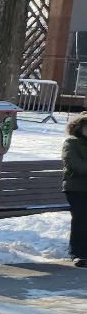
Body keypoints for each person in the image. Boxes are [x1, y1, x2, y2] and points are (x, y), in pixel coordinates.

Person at [66, 114, 87, 267]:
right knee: (81, 218)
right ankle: (78, 253)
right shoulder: (71, 143)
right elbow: (75, 165)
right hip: (77, 188)